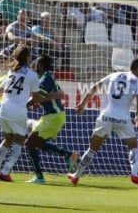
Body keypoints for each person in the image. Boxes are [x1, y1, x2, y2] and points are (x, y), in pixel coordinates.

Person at [68, 58, 138, 187]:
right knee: (133, 146)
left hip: (106, 116)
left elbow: (95, 87)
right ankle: (134, 174)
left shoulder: (113, 75)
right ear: (137, 68)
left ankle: (76, 176)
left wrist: (83, 103)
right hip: (123, 118)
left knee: (93, 148)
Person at [0, 45, 49, 182]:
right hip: (18, 110)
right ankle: (5, 172)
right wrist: (34, 102)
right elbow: (37, 97)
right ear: (27, 57)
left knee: (7, 139)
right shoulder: (32, 74)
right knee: (20, 140)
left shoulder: (11, 71)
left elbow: (4, 89)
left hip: (3, 108)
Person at [25, 54, 79, 184]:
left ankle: (39, 177)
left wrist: (23, 105)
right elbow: (59, 93)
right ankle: (68, 155)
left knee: (30, 143)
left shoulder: (44, 79)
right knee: (39, 143)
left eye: (36, 63)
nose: (34, 65)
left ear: (41, 65)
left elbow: (39, 97)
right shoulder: (48, 76)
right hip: (54, 115)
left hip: (53, 116)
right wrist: (43, 100)